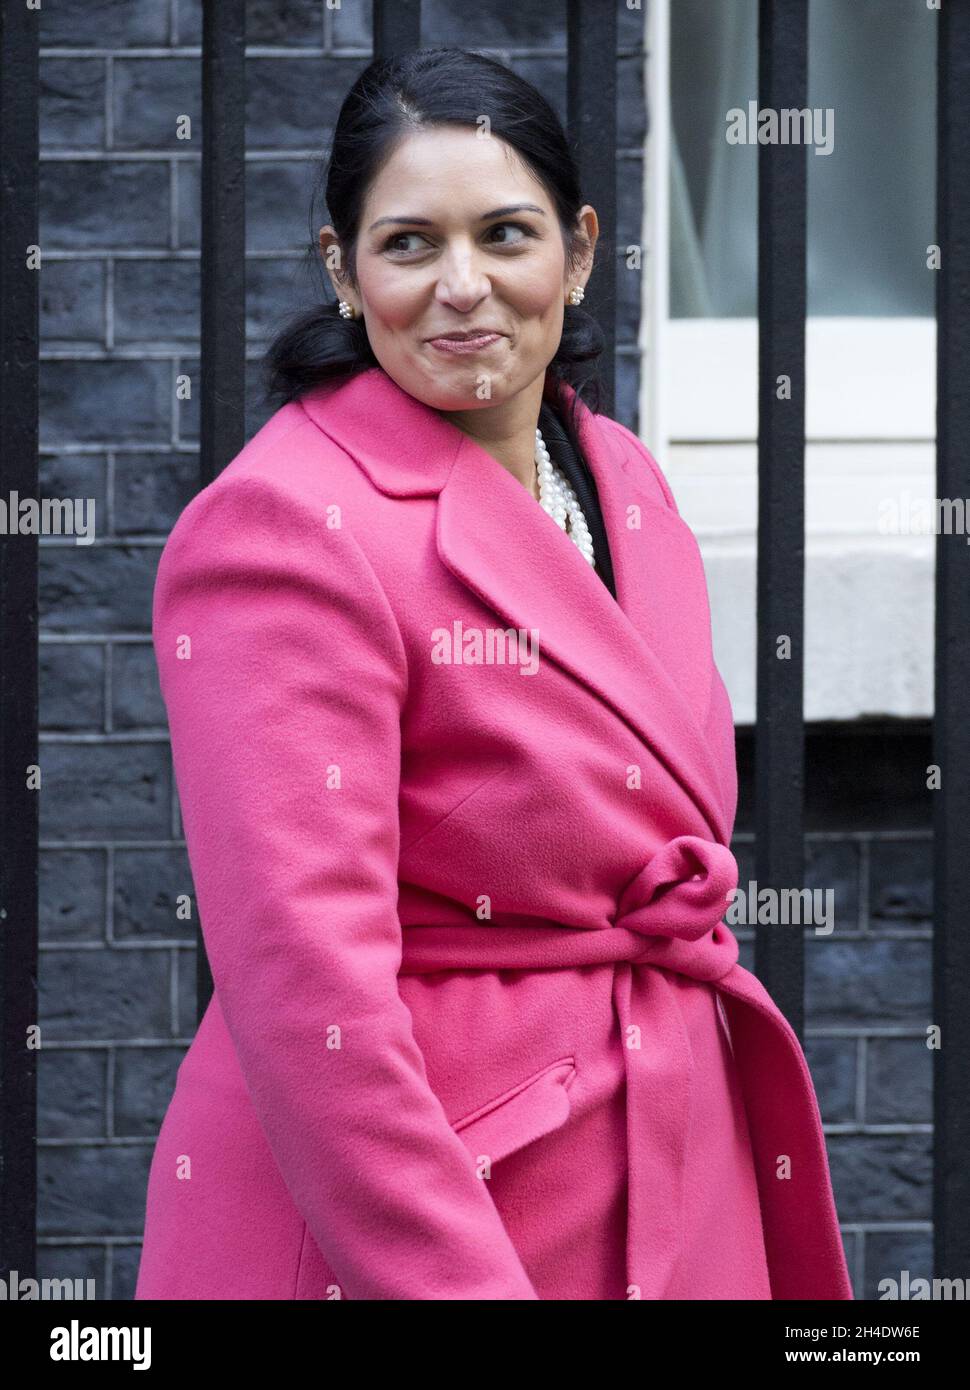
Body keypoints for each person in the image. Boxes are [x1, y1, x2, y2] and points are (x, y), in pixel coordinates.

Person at [134, 46, 852, 1301]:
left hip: (664, 1167)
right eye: (408, 244)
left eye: (504, 235)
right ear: (343, 273)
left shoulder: (623, 478)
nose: (462, 288)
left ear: (576, 253)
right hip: (426, 1219)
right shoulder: (284, 528)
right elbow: (311, 994)